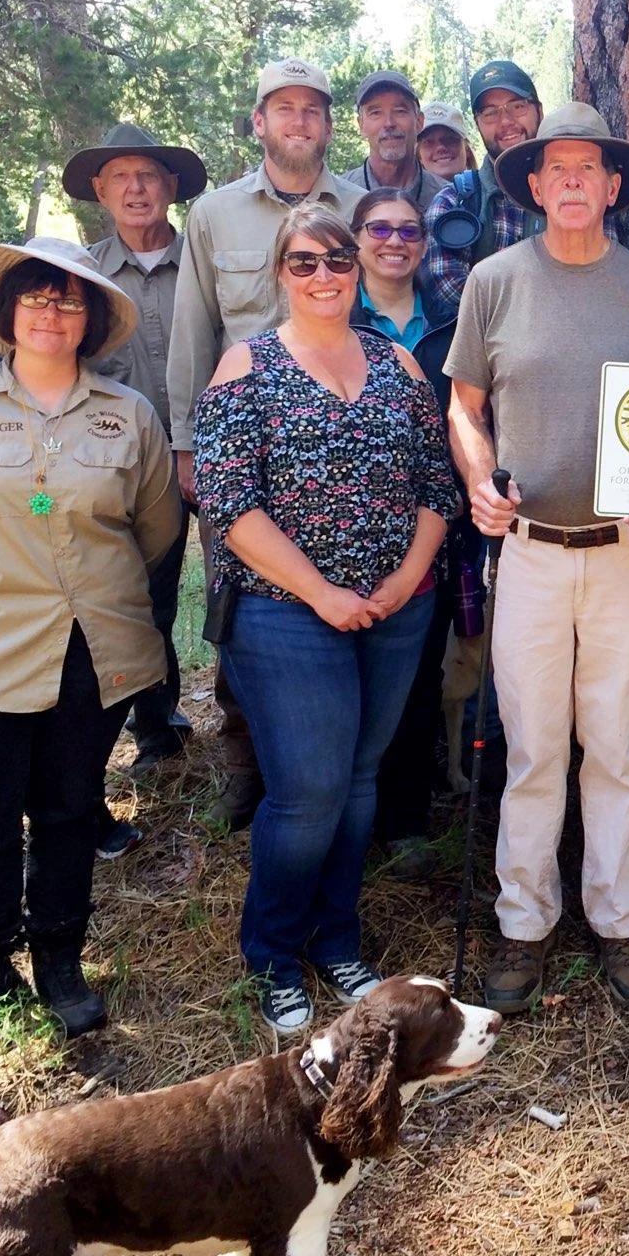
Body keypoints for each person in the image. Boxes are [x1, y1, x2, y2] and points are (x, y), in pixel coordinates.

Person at [0, 238, 180, 1054]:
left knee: (66, 813)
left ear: (91, 319)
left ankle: (61, 963)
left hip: (92, 647)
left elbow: (157, 530)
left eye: (69, 300)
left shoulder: (127, 415)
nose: (52, 311)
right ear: (8, 311)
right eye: (37, 297)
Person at [445, 101, 629, 1016]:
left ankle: (619, 917)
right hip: (531, 554)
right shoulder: (495, 283)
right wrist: (478, 480)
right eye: (560, 169)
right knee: (535, 746)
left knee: (616, 748)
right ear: (536, 185)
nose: (576, 181)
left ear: (612, 186)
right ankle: (524, 925)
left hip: (628, 554)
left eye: (592, 168)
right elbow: (466, 406)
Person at [192, 204, 458, 1036]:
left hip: (394, 609)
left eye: (337, 259)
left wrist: (406, 579)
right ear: (280, 271)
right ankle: (272, 949)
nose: (325, 275)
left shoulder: (397, 365)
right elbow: (230, 506)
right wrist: (324, 592)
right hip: (284, 612)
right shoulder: (247, 366)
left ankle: (337, 936)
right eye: (304, 262)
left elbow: (437, 488)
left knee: (359, 781)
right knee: (307, 791)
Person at [167, 57, 365, 828]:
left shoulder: (359, 205)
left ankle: (344, 771)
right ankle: (246, 764)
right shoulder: (214, 216)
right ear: (259, 123)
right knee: (241, 607)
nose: (299, 121)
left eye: (313, 109)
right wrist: (187, 444)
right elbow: (194, 330)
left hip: (346, 444)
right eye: (283, 109)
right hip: (245, 451)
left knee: (344, 600)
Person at [63, 122, 211, 785]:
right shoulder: (82, 276)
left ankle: (250, 721)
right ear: (100, 190)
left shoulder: (205, 263)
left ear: (171, 187)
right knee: (144, 598)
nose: (136, 189)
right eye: (121, 177)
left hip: (220, 453)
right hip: (125, 468)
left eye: (148, 176)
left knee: (245, 591)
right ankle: (156, 725)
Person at [346, 187, 470, 876]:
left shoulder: (452, 323)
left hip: (436, 529)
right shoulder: (335, 309)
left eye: (410, 230)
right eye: (379, 228)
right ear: (357, 238)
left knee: (417, 674)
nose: (395, 240)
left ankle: (405, 820)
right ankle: (340, 819)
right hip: (345, 528)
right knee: (342, 682)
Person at [421, 59, 548, 305]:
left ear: (539, 111)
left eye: (517, 106)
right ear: (478, 124)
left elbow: (595, 278)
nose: (505, 122)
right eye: (490, 113)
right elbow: (449, 290)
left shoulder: (573, 189)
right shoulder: (454, 202)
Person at [339, 70, 449, 212]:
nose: (389, 123)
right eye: (376, 113)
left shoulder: (446, 199)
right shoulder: (338, 199)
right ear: (361, 125)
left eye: (400, 111)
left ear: (419, 122)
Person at [418, 100, 478, 185]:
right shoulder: (402, 197)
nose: (440, 147)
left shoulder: (493, 191)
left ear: (466, 148)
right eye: (429, 142)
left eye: (450, 140)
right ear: (419, 156)